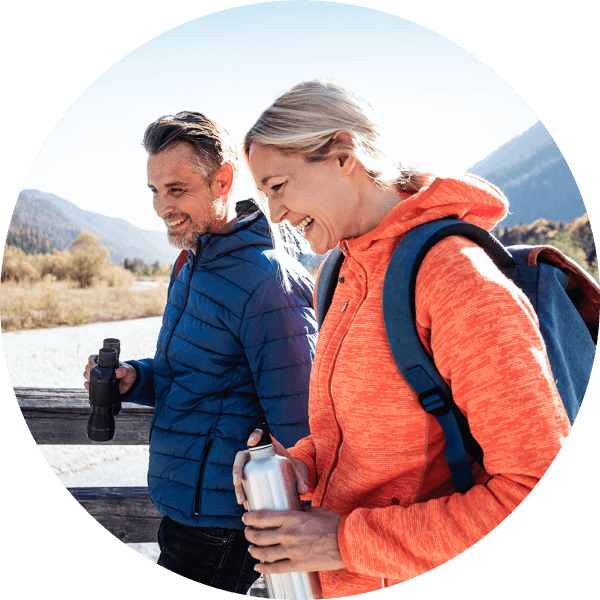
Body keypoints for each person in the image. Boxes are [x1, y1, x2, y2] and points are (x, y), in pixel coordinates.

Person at [232, 81, 572, 597]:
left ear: (343, 155)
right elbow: (361, 443)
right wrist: (298, 465)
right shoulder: (340, 271)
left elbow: (528, 486)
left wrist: (346, 543)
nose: (274, 215)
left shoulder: (457, 280)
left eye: (278, 186)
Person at [84, 111, 318, 594]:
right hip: (182, 504)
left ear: (223, 180)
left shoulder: (267, 280)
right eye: (154, 190)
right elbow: (190, 374)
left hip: (224, 521)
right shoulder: (191, 262)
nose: (160, 207)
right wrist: (136, 378)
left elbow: (303, 418)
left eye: (176, 189)